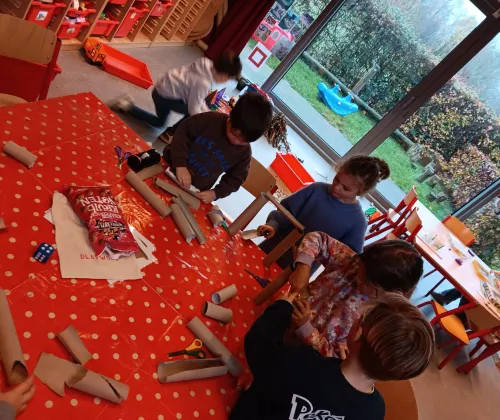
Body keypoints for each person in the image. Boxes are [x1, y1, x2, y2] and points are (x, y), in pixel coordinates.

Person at [229, 292, 434, 420]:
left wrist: (282, 307)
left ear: (358, 333)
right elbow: (335, 396)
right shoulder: (375, 412)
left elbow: (258, 342)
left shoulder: (303, 364)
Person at [287, 232, 424, 357]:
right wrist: (303, 267)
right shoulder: (351, 262)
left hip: (305, 358)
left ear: (388, 293)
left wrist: (305, 329)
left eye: (365, 282)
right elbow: (316, 238)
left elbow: (342, 360)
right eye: (359, 268)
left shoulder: (376, 320)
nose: (357, 277)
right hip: (284, 321)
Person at [257, 156, 390, 269]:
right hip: (273, 244)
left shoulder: (358, 222)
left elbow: (347, 259)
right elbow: (285, 210)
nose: (337, 187)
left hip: (297, 269)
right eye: (337, 179)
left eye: (346, 188)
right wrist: (273, 225)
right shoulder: (316, 189)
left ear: (360, 192)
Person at [163, 92, 273, 204]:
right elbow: (183, 134)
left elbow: (235, 179)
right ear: (230, 117)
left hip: (194, 188)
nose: (236, 141)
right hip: (169, 165)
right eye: (234, 134)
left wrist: (215, 193)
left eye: (244, 141)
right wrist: (180, 164)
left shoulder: (244, 154)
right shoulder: (210, 120)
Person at [115, 52, 242, 140]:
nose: (226, 81)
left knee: (195, 108)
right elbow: (193, 110)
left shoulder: (206, 63)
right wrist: (208, 118)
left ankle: (126, 105)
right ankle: (129, 108)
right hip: (164, 96)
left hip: (165, 88)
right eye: (229, 79)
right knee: (160, 123)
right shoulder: (203, 83)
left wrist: (207, 111)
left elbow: (198, 98)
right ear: (224, 75)